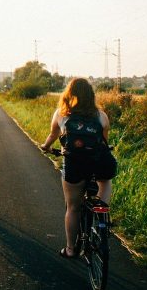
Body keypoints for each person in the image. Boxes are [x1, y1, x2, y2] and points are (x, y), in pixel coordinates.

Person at [40, 78, 117, 259]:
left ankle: (70, 249)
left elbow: (53, 135)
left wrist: (46, 146)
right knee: (105, 181)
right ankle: (102, 211)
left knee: (73, 207)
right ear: (91, 95)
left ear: (69, 95)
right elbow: (103, 143)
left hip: (74, 164)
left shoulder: (61, 114)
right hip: (98, 162)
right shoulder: (101, 116)